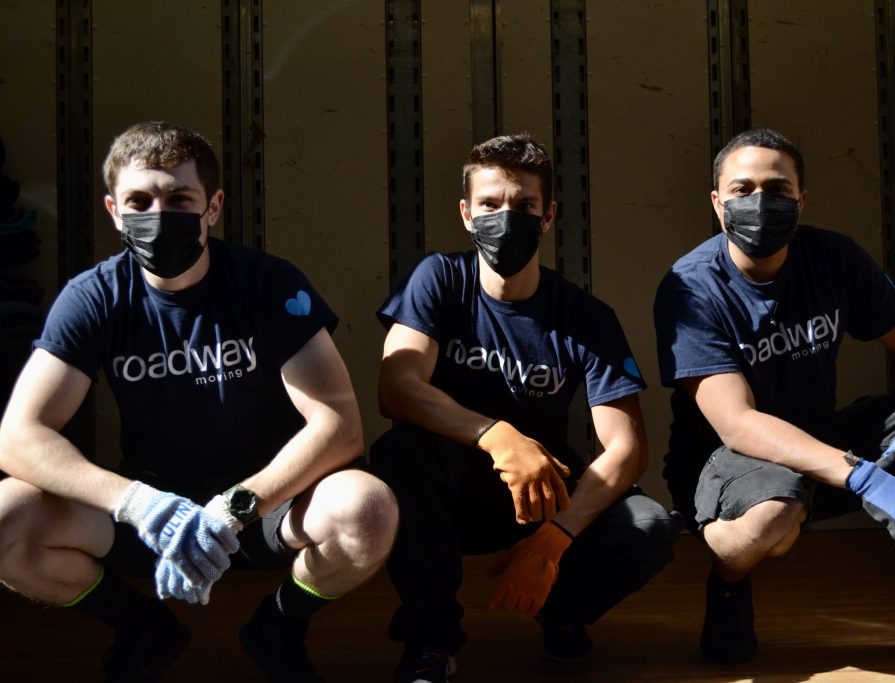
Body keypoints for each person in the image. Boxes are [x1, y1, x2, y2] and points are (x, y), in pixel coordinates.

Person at [0, 121, 399, 681]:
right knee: (6, 518)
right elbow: (19, 436)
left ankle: (278, 627)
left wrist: (235, 508)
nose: (158, 214)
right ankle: (142, 627)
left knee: (368, 508)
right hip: (153, 510)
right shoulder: (95, 297)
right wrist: (141, 505)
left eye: (179, 199)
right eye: (139, 201)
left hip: (266, 506)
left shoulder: (267, 282)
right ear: (114, 211)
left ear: (212, 207)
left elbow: (339, 424)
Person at [654, 128, 895, 664]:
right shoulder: (692, 286)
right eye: (743, 190)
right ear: (717, 203)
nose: (760, 203)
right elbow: (738, 423)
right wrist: (863, 476)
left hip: (822, 443)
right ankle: (728, 585)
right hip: (727, 464)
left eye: (777, 188)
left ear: (801, 199)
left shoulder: (832, 257)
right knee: (775, 514)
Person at [369, 133, 675, 683]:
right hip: (453, 491)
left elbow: (628, 448)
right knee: (400, 452)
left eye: (524, 206)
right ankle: (430, 641)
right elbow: (397, 387)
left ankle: (561, 611)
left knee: (648, 527)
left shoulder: (585, 316)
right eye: (489, 204)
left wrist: (555, 538)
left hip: (541, 494)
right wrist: (496, 436)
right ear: (466, 214)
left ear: (548, 215)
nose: (505, 218)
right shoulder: (439, 279)